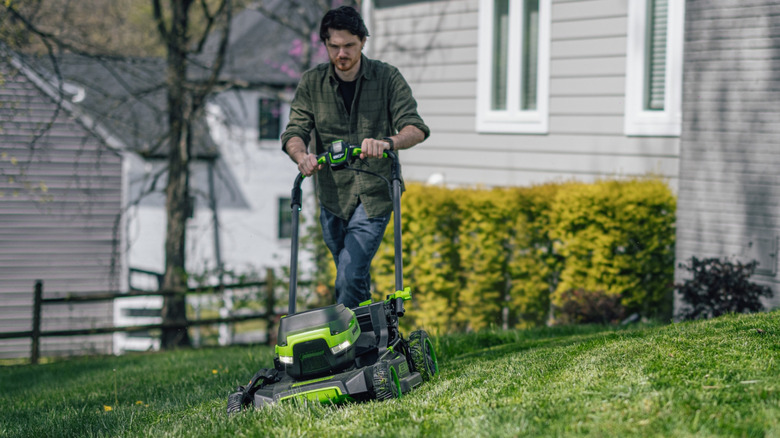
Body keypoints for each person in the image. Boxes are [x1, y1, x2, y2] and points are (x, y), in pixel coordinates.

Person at [281, 5, 429, 308]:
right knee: (352, 277)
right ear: (325, 44)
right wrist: (302, 155)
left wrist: (387, 142)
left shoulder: (387, 78)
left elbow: (415, 128)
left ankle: (352, 337)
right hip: (333, 196)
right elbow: (294, 131)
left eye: (349, 45)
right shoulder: (312, 83)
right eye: (334, 46)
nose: (342, 54)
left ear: (363, 41)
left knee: (349, 275)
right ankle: (372, 334)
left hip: (374, 194)